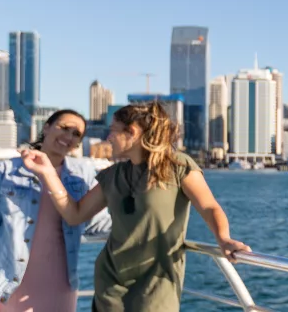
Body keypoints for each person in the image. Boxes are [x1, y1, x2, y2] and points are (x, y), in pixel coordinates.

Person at [20, 102, 250, 312]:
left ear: (132, 132)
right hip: (110, 284)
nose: (108, 137)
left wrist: (224, 238)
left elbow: (209, 207)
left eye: (114, 130)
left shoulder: (177, 165)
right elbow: (74, 214)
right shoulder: (112, 175)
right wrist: (48, 173)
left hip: (157, 283)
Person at [0, 109, 111, 311]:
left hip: (60, 283)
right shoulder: (6, 171)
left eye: (76, 134)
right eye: (64, 128)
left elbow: (96, 221)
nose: (69, 137)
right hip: (8, 281)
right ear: (47, 127)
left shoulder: (83, 173)